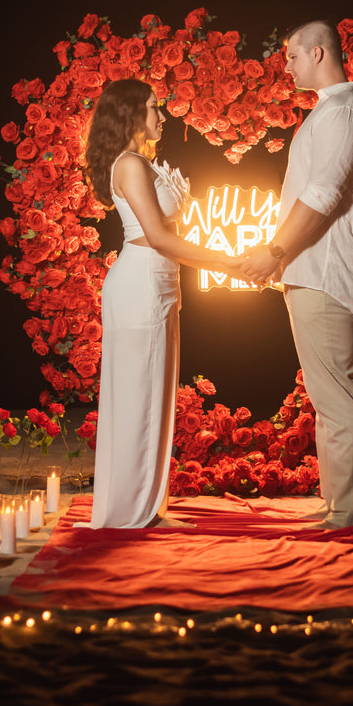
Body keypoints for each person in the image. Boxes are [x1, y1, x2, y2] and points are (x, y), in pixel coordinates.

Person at [81, 79, 243, 528]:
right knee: (140, 398)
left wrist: (180, 287)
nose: (162, 115)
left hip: (158, 284)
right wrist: (226, 262)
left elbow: (164, 240)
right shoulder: (130, 165)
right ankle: (135, 511)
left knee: (155, 397)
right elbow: (156, 236)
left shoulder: (141, 162)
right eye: (154, 108)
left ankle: (147, 506)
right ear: (131, 114)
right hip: (139, 286)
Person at [242, 20, 353, 529]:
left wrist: (274, 251)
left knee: (337, 399)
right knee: (328, 399)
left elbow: (323, 196)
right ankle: (341, 508)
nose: (286, 65)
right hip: (311, 272)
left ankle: (348, 517)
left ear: (318, 53)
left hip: (325, 273)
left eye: (291, 56)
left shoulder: (342, 114)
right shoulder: (329, 112)